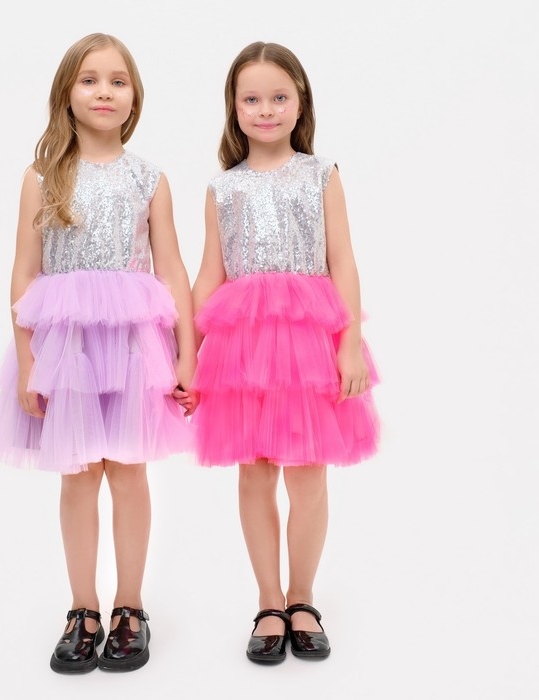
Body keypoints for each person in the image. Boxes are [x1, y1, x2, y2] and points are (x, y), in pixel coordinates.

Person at [0, 32, 196, 674]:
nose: (105, 91)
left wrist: (185, 354)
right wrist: (28, 360)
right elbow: (24, 272)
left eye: (118, 81)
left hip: (133, 346)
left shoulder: (149, 178)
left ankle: (131, 607)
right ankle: (83, 609)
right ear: (67, 94)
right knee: (78, 474)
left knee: (128, 471)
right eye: (90, 80)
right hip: (67, 347)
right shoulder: (42, 178)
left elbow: (172, 269)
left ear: (135, 97)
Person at [191, 41, 380, 664]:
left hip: (308, 343)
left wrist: (349, 344)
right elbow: (209, 273)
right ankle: (269, 600)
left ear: (300, 103)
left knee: (307, 474)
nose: (266, 109)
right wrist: (187, 354)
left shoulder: (321, 174)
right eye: (252, 99)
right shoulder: (223, 188)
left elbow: (343, 261)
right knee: (254, 472)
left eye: (279, 97)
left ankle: (302, 597)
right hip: (242, 347)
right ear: (234, 107)